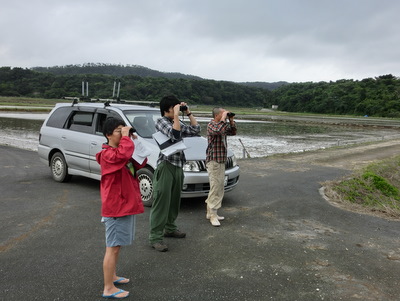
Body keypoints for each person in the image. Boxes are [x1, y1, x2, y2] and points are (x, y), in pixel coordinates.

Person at [96, 117, 147, 299]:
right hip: (115, 207)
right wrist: (126, 138)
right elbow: (123, 155)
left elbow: (139, 162)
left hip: (124, 204)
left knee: (118, 246)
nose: (122, 132)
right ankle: (108, 288)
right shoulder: (107, 155)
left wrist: (134, 139)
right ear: (108, 134)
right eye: (118, 130)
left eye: (122, 129)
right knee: (113, 247)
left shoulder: (120, 151)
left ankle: (113, 276)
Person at [149, 95, 201, 252]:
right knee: (161, 202)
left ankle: (170, 228)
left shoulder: (176, 120)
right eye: (175, 107)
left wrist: (188, 113)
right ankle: (155, 237)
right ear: (167, 109)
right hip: (166, 166)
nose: (177, 109)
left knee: (174, 201)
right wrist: (177, 116)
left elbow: (196, 130)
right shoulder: (161, 121)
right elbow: (175, 134)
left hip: (179, 165)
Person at [205, 107, 237, 226]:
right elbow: (217, 131)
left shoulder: (222, 125)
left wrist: (231, 120)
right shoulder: (212, 125)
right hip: (214, 161)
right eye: (223, 112)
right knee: (216, 187)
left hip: (221, 161)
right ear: (217, 115)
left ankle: (210, 212)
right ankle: (213, 215)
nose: (225, 114)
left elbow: (233, 132)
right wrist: (224, 118)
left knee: (218, 187)